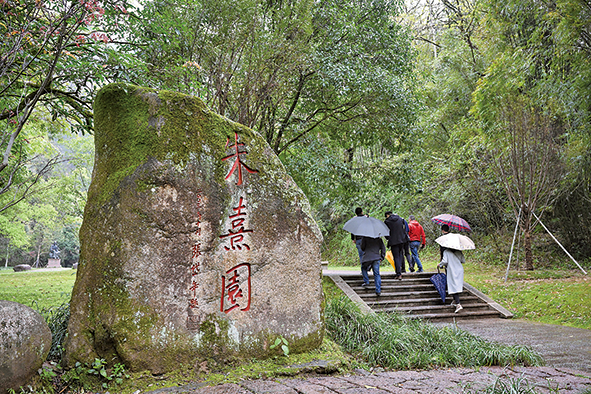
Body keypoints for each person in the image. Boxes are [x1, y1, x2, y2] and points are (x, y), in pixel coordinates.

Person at [438, 246, 465, 313]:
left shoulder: (446, 252)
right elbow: (463, 260)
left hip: (451, 270)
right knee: (456, 285)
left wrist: (440, 265)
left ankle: (458, 304)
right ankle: (455, 300)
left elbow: (444, 261)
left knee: (453, 286)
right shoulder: (459, 251)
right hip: (459, 269)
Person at [384, 211, 408, 280]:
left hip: (393, 242)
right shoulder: (400, 219)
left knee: (396, 257)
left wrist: (389, 238)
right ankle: (403, 269)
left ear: (387, 215)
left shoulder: (387, 221)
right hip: (402, 240)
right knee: (401, 255)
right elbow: (404, 229)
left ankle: (398, 274)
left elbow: (386, 233)